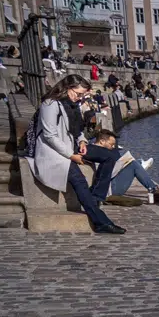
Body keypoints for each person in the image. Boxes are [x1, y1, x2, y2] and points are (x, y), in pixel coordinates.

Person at [26, 74, 124, 234]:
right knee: (79, 179)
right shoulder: (50, 104)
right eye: (78, 93)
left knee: (110, 155)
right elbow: (50, 136)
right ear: (67, 88)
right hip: (55, 151)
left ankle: (95, 197)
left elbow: (77, 130)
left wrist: (83, 142)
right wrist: (71, 156)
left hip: (72, 146)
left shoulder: (72, 104)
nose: (79, 97)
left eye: (82, 95)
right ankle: (101, 222)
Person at [85, 131, 159, 205]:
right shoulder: (99, 152)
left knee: (133, 163)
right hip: (108, 189)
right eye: (111, 144)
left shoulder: (92, 149)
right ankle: (152, 188)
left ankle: (141, 166)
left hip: (109, 183)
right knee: (133, 164)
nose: (112, 147)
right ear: (102, 141)